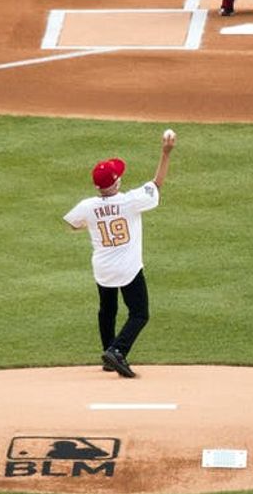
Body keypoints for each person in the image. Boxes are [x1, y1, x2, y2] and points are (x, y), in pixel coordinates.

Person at [62, 130, 176, 378]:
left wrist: (90, 223)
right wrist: (165, 154)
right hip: (128, 268)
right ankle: (117, 351)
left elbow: (72, 223)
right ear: (115, 183)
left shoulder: (88, 206)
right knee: (140, 313)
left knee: (107, 309)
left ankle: (107, 353)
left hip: (102, 268)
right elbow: (156, 185)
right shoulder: (131, 201)